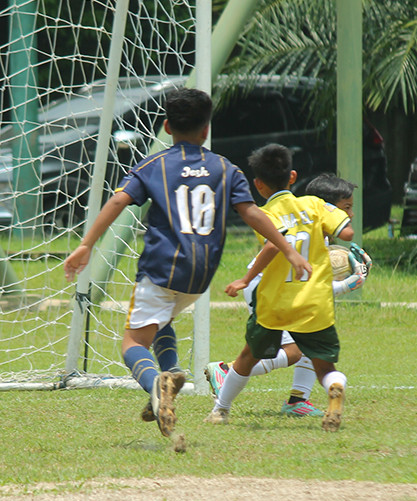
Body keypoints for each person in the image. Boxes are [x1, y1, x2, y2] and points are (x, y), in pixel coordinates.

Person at [63, 89, 311, 447]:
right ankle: (173, 371)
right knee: (163, 319)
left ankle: (157, 387)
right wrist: (288, 249)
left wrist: (86, 244)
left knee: (133, 342)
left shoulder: (154, 165)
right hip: (200, 275)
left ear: (166, 126)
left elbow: (119, 199)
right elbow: (252, 212)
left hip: (162, 266)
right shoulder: (226, 168)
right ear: (206, 130)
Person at [205, 144, 355, 432]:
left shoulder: (264, 213)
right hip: (314, 304)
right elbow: (346, 232)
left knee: (247, 358)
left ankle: (220, 410)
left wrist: (246, 280)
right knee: (324, 367)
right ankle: (334, 389)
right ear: (293, 176)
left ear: (258, 184)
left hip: (275, 304)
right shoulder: (314, 204)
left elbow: (274, 245)